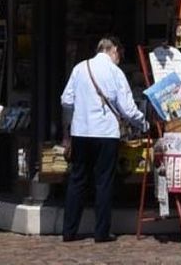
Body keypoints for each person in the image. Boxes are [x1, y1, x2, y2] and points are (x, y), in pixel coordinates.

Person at [60, 36, 142, 243]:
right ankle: (101, 232)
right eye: (119, 54)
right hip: (105, 133)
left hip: (81, 131)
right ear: (113, 49)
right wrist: (144, 123)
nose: (119, 58)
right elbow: (127, 108)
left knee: (77, 180)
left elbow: (66, 99)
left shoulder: (80, 68)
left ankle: (69, 231)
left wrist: (75, 119)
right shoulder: (115, 72)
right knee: (103, 182)